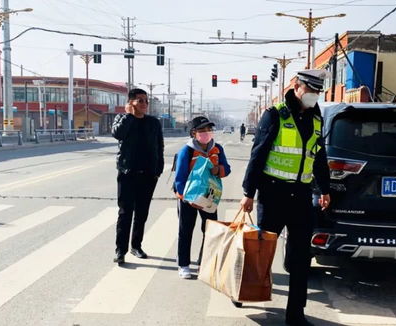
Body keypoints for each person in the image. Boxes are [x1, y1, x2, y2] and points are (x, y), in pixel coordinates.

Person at [240, 70, 331, 326]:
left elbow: (319, 155)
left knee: (301, 258)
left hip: (301, 196)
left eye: (317, 91)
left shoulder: (316, 117)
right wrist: (249, 193)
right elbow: (258, 155)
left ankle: (295, 314)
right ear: (297, 86)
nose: (314, 95)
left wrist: (324, 189)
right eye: (310, 89)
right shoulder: (275, 115)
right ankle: (242, 288)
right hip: (273, 194)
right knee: (261, 253)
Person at [111, 88, 164, 265]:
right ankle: (120, 250)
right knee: (125, 213)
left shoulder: (154, 123)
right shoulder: (122, 119)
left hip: (148, 175)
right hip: (127, 173)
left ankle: (136, 246)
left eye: (146, 101)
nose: (144, 104)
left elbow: (159, 147)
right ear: (131, 102)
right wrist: (128, 116)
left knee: (142, 213)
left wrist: (158, 171)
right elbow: (118, 134)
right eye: (140, 101)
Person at [174, 116, 231, 279]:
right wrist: (188, 199)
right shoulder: (187, 150)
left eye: (209, 130)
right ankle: (183, 265)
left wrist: (218, 169)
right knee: (185, 230)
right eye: (202, 130)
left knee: (210, 230)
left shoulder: (217, 148)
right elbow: (180, 178)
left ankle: (205, 261)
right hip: (188, 199)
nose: (207, 133)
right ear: (194, 133)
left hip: (209, 198)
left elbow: (227, 169)